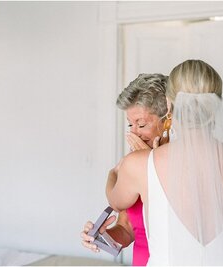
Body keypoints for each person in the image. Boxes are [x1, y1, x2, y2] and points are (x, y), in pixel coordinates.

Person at [106, 59, 223, 265]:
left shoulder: (138, 164)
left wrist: (114, 172)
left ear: (169, 105)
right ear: (217, 104)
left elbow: (115, 202)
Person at [81, 73, 170, 266]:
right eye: (131, 124)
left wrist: (147, 164)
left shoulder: (185, 161)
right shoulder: (132, 164)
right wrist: (103, 237)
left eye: (142, 124)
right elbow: (127, 228)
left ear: (167, 120)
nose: (133, 132)